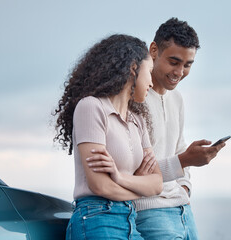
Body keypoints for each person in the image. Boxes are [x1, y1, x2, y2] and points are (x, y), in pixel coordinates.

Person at [88, 18, 226, 239]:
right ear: (154, 50)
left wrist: (184, 189)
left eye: (188, 64)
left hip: (184, 210)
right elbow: (134, 171)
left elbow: (178, 148)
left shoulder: (177, 99)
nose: (179, 72)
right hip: (150, 212)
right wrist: (185, 160)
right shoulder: (132, 99)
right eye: (174, 61)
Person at [53, 34, 163, 240]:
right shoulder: (92, 107)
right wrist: (140, 187)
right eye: (149, 72)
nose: (151, 82)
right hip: (97, 218)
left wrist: (120, 178)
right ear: (133, 68)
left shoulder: (138, 121)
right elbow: (99, 186)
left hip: (130, 220)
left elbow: (156, 184)